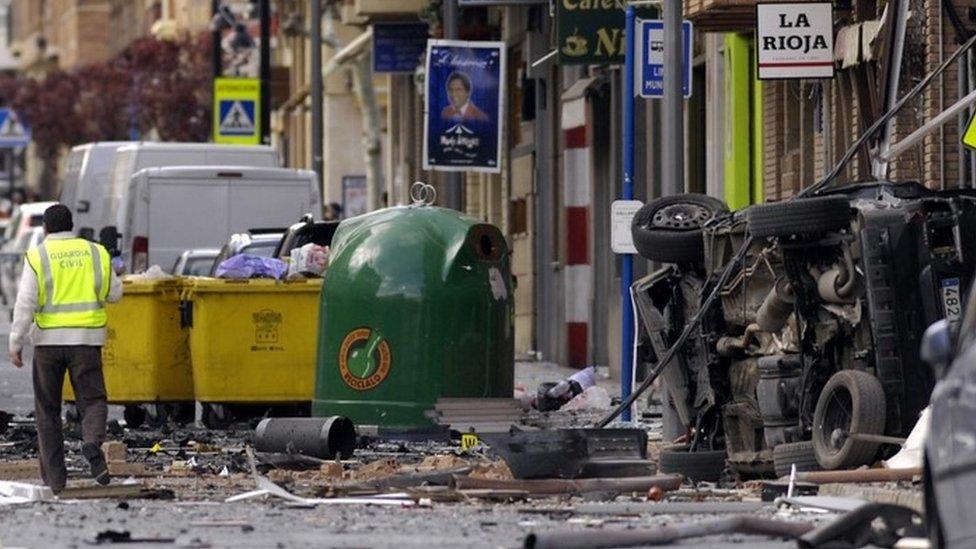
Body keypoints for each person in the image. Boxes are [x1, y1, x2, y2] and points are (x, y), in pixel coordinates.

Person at [8, 204, 122, 493]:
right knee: (93, 401)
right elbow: (115, 293)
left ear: (45, 228)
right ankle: (91, 443)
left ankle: (56, 481)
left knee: (47, 409)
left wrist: (16, 341)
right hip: (86, 341)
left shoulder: (38, 255)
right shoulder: (97, 253)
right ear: (72, 225)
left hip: (48, 344)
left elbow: (25, 302)